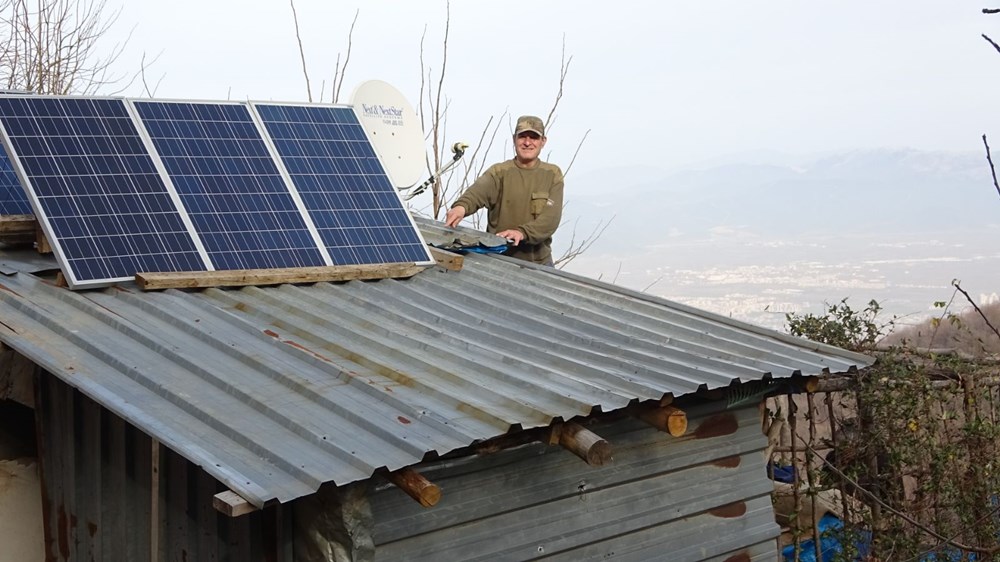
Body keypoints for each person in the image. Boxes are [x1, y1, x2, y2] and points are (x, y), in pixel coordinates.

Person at [444, 115, 564, 266]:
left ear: (543, 141)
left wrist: (522, 233)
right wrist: (461, 207)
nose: (527, 142)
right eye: (522, 137)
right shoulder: (499, 172)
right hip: (499, 260)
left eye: (533, 137)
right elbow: (476, 193)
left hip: (538, 262)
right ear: (514, 139)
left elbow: (550, 219)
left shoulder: (552, 174)